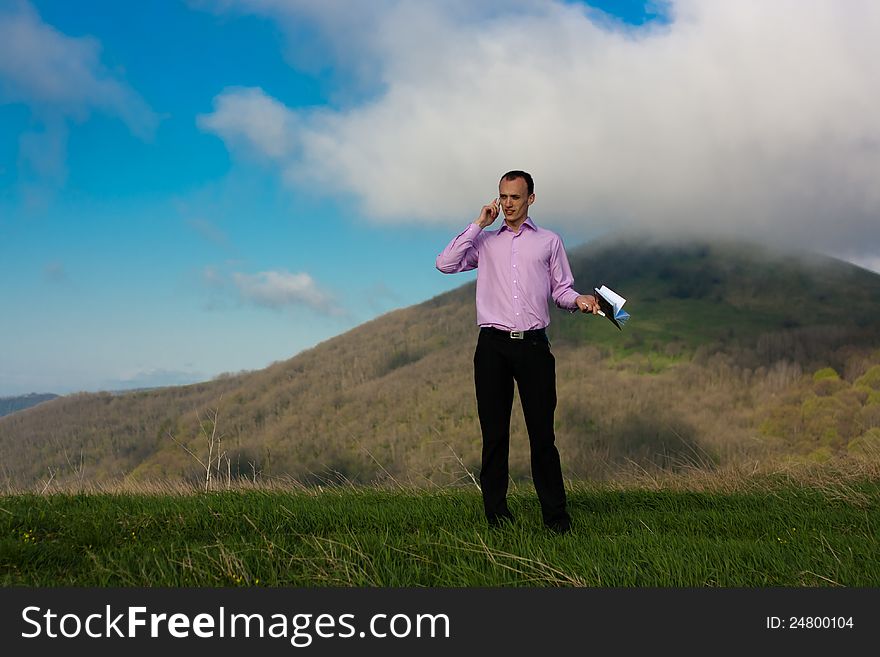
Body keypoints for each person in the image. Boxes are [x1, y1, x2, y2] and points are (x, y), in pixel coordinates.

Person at [435, 170, 599, 534]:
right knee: (494, 436)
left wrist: (580, 301)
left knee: (543, 436)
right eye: (503, 197)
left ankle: (556, 520)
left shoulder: (549, 242)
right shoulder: (484, 243)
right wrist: (479, 224)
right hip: (491, 347)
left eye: (515, 197)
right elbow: (445, 263)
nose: (508, 204)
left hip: (535, 346)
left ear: (531, 199)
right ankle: (497, 518)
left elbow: (561, 291)